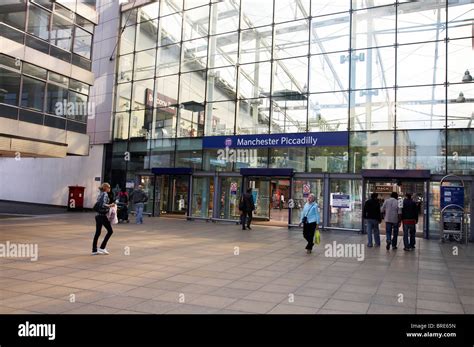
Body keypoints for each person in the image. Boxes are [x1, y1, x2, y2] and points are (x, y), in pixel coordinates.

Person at [92, 183, 115, 255]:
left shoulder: (100, 193)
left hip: (97, 216)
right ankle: (102, 248)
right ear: (105, 188)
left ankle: (94, 250)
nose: (110, 188)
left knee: (97, 233)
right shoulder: (105, 194)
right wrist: (110, 205)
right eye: (109, 187)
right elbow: (103, 205)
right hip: (102, 216)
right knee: (110, 231)